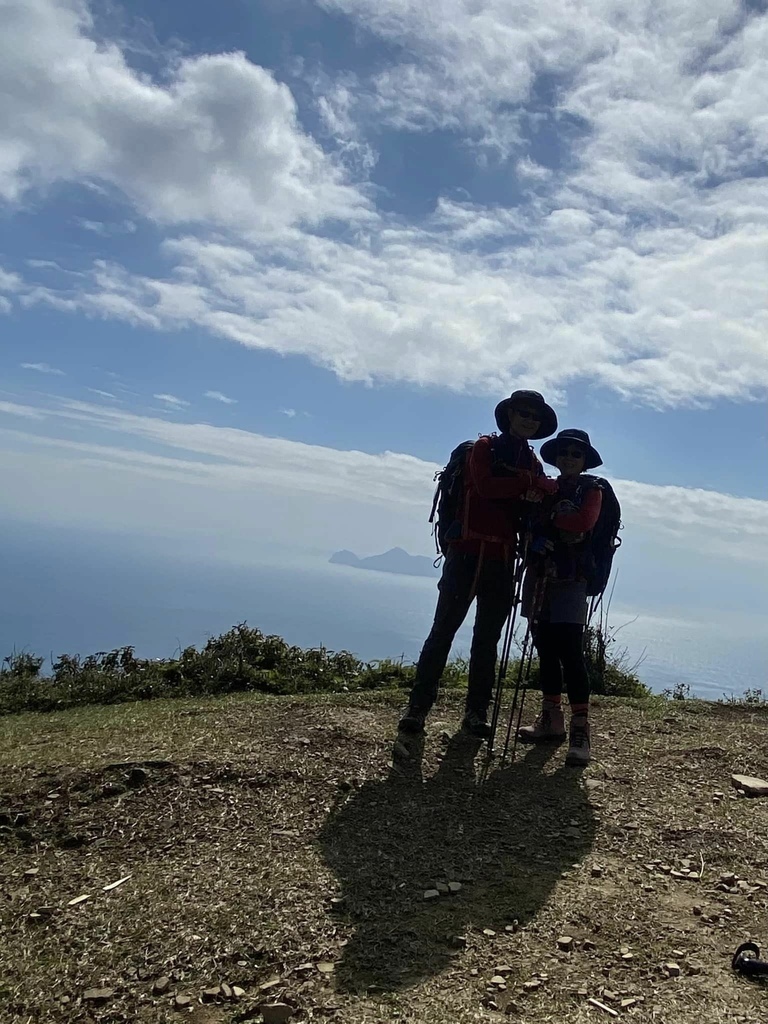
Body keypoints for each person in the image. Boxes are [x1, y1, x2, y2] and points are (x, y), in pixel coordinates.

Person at [398, 390, 559, 740]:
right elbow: (486, 487)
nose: (529, 420)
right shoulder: (484, 449)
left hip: (501, 558)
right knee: (443, 631)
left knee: (487, 639)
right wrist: (531, 485)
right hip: (468, 554)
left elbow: (529, 503)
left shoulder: (531, 463)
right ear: (510, 415)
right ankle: (418, 709)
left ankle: (475, 713)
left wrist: (533, 493)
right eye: (524, 413)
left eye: (535, 417)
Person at [517, 428, 605, 766]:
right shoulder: (547, 490)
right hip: (540, 576)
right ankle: (552, 720)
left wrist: (550, 520)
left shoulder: (592, 491)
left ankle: (580, 729)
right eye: (564, 452)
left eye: (576, 454)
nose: (569, 458)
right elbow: (527, 524)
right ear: (556, 457)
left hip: (570, 580)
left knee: (570, 651)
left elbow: (582, 522)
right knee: (545, 650)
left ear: (584, 462)